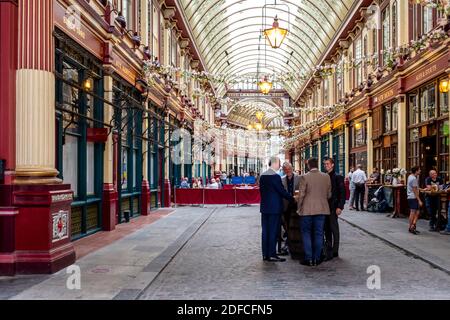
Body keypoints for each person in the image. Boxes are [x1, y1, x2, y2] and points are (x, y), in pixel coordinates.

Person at [297, 158, 332, 267]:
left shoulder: (305, 177)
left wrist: (299, 207)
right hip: (321, 209)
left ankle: (309, 258)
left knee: (306, 233)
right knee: (319, 233)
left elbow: (301, 195)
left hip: (307, 210)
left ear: (308, 165)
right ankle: (317, 258)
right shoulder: (326, 177)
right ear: (318, 165)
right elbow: (329, 194)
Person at [259, 156, 295, 262]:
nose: (279, 165)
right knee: (274, 231)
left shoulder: (263, 176)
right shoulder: (275, 177)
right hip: (274, 209)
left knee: (265, 231)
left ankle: (265, 254)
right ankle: (272, 254)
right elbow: (282, 191)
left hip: (265, 208)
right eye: (279, 163)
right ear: (274, 163)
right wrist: (292, 198)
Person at [323, 158, 346, 261]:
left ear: (332, 165)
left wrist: (340, 207)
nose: (326, 165)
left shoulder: (338, 177)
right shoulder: (323, 176)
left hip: (333, 207)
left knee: (334, 229)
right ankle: (328, 249)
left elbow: (342, 193)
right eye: (325, 164)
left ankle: (335, 250)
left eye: (328, 164)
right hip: (324, 207)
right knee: (326, 229)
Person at [280, 162, 301, 257]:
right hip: (286, 206)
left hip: (296, 205)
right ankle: (287, 243)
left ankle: (295, 244)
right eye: (286, 169)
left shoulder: (299, 178)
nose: (288, 171)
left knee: (296, 226)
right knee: (286, 225)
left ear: (292, 169)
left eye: (289, 169)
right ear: (284, 170)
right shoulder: (281, 179)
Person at [407, 166, 423, 234]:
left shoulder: (410, 176)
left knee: (417, 212)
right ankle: (411, 227)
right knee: (413, 212)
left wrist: (421, 189)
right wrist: (419, 200)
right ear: (416, 171)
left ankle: (413, 226)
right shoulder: (413, 178)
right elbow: (414, 190)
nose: (420, 171)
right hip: (413, 197)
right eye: (419, 170)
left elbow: (415, 188)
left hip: (411, 196)